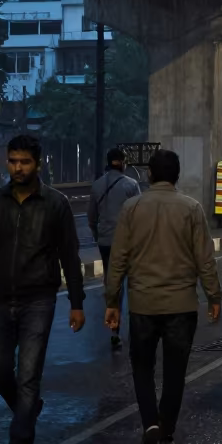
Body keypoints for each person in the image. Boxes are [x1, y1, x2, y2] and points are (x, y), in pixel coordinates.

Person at [0, 135, 85, 444]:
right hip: (0, 300)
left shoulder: (55, 204)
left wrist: (76, 301)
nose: (17, 167)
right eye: (13, 161)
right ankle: (27, 409)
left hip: (39, 300)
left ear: (37, 164)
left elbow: (69, 256)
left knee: (29, 374)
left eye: (24, 162)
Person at [105, 149, 221, 444]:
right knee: (174, 373)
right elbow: (204, 259)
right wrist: (214, 296)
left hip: (142, 305)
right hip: (181, 306)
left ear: (149, 175)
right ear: (177, 175)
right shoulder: (191, 208)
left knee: (142, 369)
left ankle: (151, 424)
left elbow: (118, 260)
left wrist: (112, 301)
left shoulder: (132, 208)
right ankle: (166, 439)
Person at [88, 147, 140, 349]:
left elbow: (92, 217)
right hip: (128, 243)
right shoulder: (131, 185)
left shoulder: (97, 185)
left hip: (106, 243)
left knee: (113, 286)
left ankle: (114, 331)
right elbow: (139, 215)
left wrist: (98, 235)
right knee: (134, 284)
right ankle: (137, 328)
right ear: (123, 162)